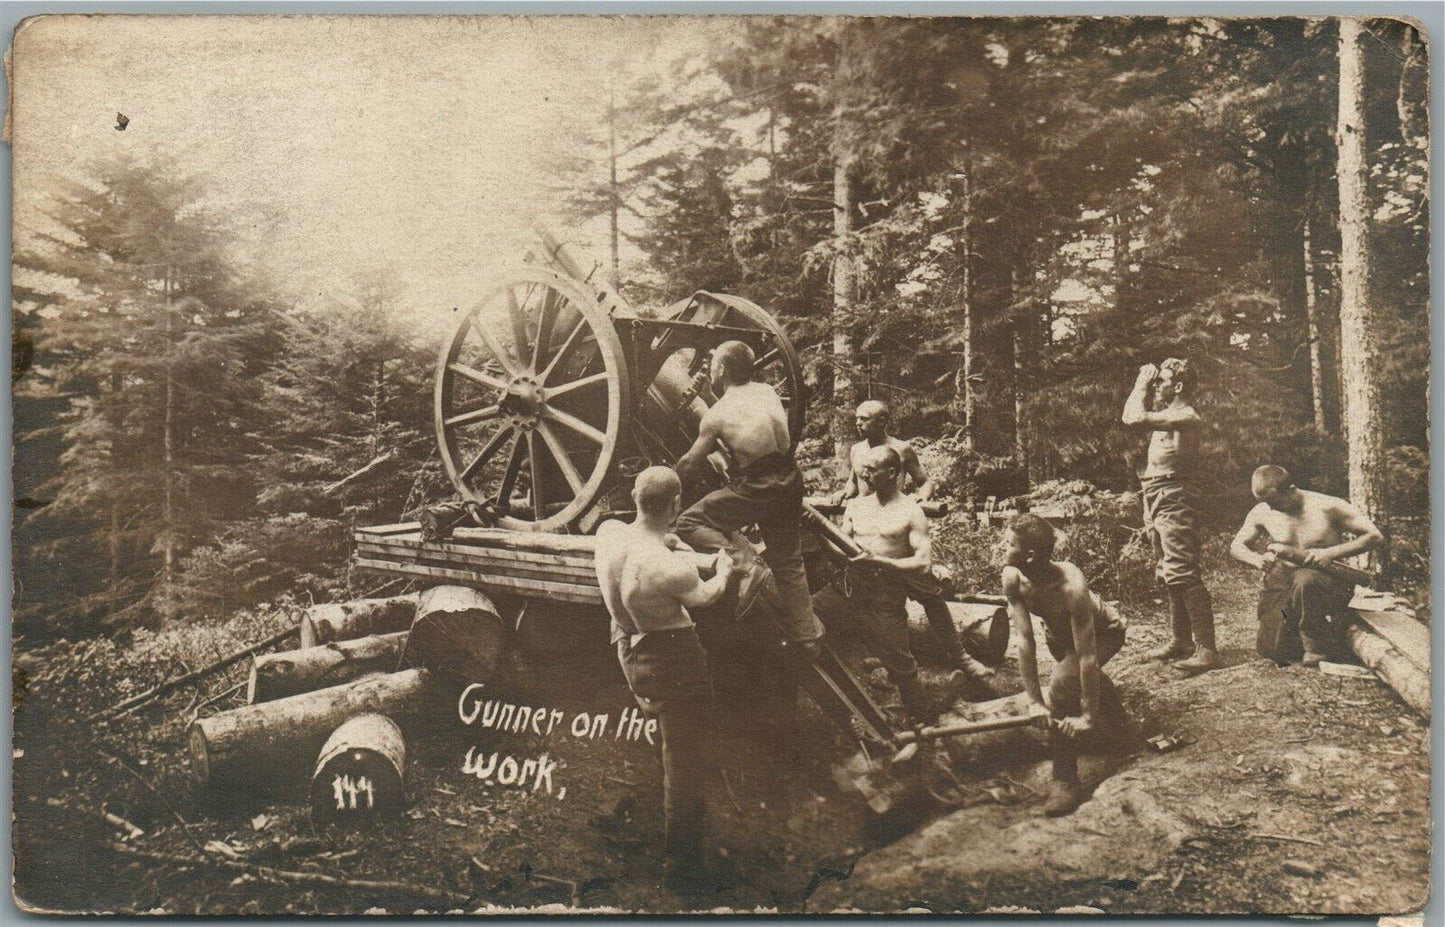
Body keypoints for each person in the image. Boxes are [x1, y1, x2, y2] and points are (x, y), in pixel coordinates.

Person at [595, 466, 735, 894]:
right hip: (670, 658)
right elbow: (705, 597)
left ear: (635, 497)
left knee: (668, 732)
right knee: (685, 758)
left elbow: (661, 545)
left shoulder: (610, 533)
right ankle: (683, 868)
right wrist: (724, 567)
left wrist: (689, 553)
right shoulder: (666, 568)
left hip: (627, 643)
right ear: (676, 505)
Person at [675, 340, 825, 656]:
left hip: (759, 485)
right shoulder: (766, 392)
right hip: (789, 476)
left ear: (723, 369)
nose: (711, 367)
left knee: (689, 521)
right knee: (789, 559)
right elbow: (764, 431)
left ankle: (746, 566)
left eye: (715, 363)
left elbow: (691, 463)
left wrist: (666, 483)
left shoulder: (715, 416)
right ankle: (807, 637)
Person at [836, 401, 992, 683]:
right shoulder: (857, 450)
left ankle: (961, 656)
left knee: (930, 594)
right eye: (857, 419)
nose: (858, 424)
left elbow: (925, 481)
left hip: (897, 531)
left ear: (883, 421)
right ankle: (885, 655)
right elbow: (853, 485)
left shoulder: (901, 448)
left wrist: (923, 498)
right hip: (866, 530)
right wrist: (842, 495)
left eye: (865, 419)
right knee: (871, 598)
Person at [1001, 514, 1129, 817]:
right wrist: (1034, 702)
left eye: (1008, 543)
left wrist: (1086, 715)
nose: (1001, 548)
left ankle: (1065, 779)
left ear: (1030, 555)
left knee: (1061, 686)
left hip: (1103, 635)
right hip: (1058, 636)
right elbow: (1024, 641)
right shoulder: (1012, 576)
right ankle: (1122, 728)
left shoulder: (1071, 585)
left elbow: (1087, 656)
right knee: (1070, 682)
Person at [812, 445, 943, 725]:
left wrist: (883, 562)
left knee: (903, 668)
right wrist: (817, 531)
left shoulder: (911, 512)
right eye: (864, 468)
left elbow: (923, 564)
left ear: (892, 472)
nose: (864, 474)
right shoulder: (857, 506)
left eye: (872, 469)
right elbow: (840, 553)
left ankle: (924, 723)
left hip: (885, 597)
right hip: (845, 590)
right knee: (800, 621)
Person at [1229, 465, 1384, 666]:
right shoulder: (1264, 510)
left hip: (1324, 579)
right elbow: (1236, 546)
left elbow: (1375, 536)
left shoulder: (1328, 506)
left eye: (1275, 502)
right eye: (1267, 503)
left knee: (1306, 581)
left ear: (1291, 489)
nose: (1272, 508)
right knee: (1271, 650)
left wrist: (1331, 553)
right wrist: (1256, 560)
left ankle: (1317, 647)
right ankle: (1303, 632)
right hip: (1283, 579)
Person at [1121, 358, 1219, 675]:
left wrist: (1140, 380)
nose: (1156, 385)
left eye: (1161, 381)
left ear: (1177, 386)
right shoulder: (1169, 414)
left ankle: (1206, 649)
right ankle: (1181, 641)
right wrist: (1147, 382)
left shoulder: (1185, 415)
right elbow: (1134, 416)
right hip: (1156, 493)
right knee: (1167, 569)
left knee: (1182, 569)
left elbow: (1132, 418)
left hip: (1174, 494)